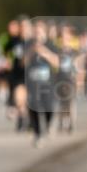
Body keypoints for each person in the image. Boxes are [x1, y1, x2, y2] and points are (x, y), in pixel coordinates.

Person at [24, 19, 60, 148]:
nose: (37, 33)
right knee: (33, 108)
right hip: (32, 83)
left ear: (44, 32)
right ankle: (37, 134)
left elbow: (57, 63)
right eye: (35, 30)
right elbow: (23, 63)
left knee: (49, 107)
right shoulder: (28, 45)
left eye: (40, 30)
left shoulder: (51, 44)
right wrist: (32, 51)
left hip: (47, 83)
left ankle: (48, 125)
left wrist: (44, 52)